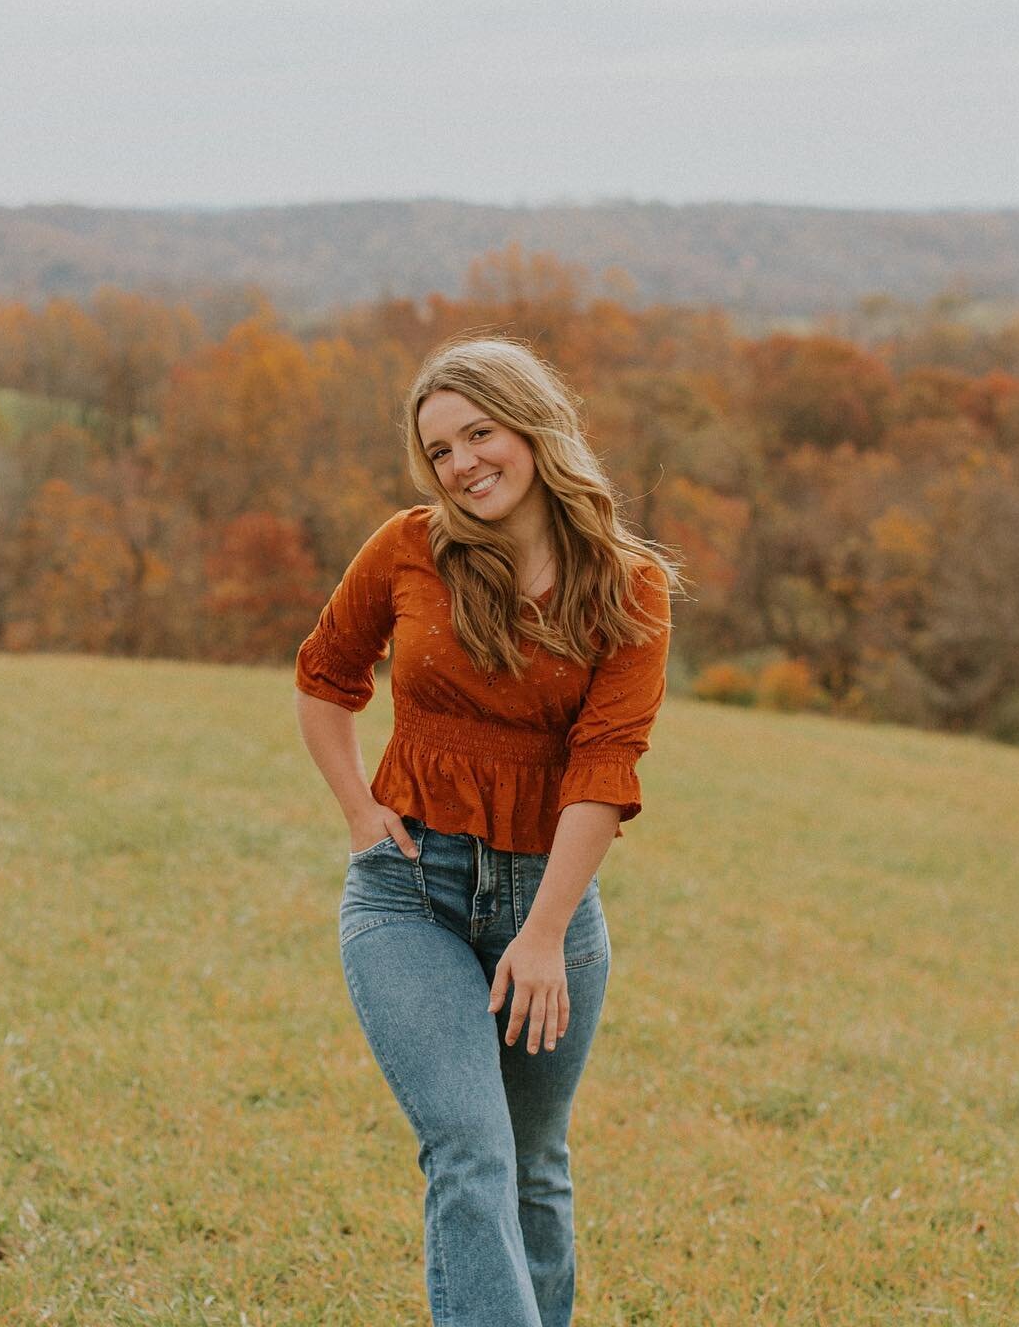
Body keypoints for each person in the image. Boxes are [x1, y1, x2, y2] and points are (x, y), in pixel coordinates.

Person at [293, 335, 682, 1327]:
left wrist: (546, 934)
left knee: (534, 1165)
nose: (463, 465)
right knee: (471, 1149)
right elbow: (326, 675)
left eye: (479, 433)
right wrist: (357, 812)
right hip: (406, 893)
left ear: (532, 428)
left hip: (544, 904)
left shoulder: (629, 587)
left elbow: (605, 767)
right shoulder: (408, 547)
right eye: (441, 451)